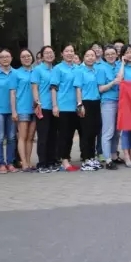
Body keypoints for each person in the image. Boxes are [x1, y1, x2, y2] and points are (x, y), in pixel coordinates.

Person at [50, 44, 80, 172]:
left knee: (71, 135)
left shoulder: (78, 68)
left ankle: (67, 157)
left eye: (71, 51)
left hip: (75, 107)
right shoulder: (58, 68)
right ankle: (64, 161)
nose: (69, 53)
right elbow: (53, 88)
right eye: (67, 51)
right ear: (62, 53)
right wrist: (55, 105)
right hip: (63, 106)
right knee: (64, 135)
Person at [74, 48, 104, 171]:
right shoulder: (80, 71)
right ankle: (86, 159)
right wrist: (80, 104)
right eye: (87, 55)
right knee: (86, 131)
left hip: (96, 102)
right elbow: (78, 89)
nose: (90, 58)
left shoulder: (97, 71)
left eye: (92, 55)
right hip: (85, 103)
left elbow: (100, 88)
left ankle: (92, 157)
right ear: (84, 58)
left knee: (95, 130)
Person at [31, 46, 59, 174]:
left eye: (51, 52)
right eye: (46, 53)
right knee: (43, 136)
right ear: (42, 56)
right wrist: (37, 103)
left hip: (55, 107)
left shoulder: (56, 69)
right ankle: (42, 163)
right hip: (43, 107)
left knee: (53, 135)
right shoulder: (37, 70)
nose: (49, 55)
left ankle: (52, 161)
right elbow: (34, 88)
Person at [10, 49, 36, 172]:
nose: (26, 58)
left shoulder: (36, 71)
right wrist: (14, 111)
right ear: (20, 59)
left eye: (28, 56)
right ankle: (23, 162)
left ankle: (29, 161)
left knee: (30, 137)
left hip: (35, 109)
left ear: (32, 57)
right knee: (22, 136)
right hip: (22, 108)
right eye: (23, 56)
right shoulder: (15, 73)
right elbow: (12, 93)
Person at [97, 45, 123, 170]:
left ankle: (114, 155)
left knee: (117, 131)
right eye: (107, 54)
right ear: (104, 56)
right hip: (108, 102)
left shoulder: (119, 66)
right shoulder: (101, 68)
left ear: (117, 54)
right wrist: (113, 83)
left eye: (112, 53)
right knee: (108, 131)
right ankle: (107, 160)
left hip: (121, 102)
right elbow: (101, 88)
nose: (110, 56)